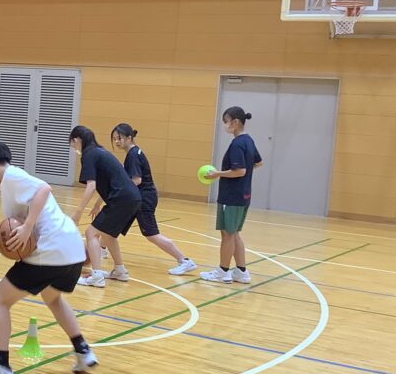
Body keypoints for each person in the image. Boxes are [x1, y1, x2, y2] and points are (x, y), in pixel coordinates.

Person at [0, 140, 97, 374]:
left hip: (49, 251)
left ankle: (1, 368)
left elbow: (44, 189)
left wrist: (27, 227)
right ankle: (83, 350)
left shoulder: (11, 176)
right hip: (69, 249)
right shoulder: (11, 180)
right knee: (53, 298)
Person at [111, 123, 196, 275]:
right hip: (138, 198)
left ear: (129, 138)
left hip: (144, 199)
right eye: (114, 139)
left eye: (119, 138)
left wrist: (119, 190)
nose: (117, 141)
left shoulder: (133, 155)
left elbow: (136, 180)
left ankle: (184, 260)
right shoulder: (133, 153)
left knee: (151, 234)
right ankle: (102, 248)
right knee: (113, 223)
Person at [69, 126, 141, 288]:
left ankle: (96, 276)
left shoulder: (89, 155)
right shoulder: (99, 152)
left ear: (77, 139)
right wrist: (97, 204)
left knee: (91, 233)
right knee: (108, 235)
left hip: (121, 199)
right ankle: (120, 271)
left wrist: (78, 213)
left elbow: (91, 186)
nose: (73, 146)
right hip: (133, 198)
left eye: (72, 142)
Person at [200, 106, 263, 284]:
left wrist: (217, 174)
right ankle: (241, 272)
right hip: (243, 194)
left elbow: (240, 171)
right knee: (234, 233)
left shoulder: (237, 144)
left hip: (232, 196)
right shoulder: (248, 141)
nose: (225, 125)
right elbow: (258, 162)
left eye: (226, 121)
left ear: (235, 122)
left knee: (227, 234)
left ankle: (223, 271)